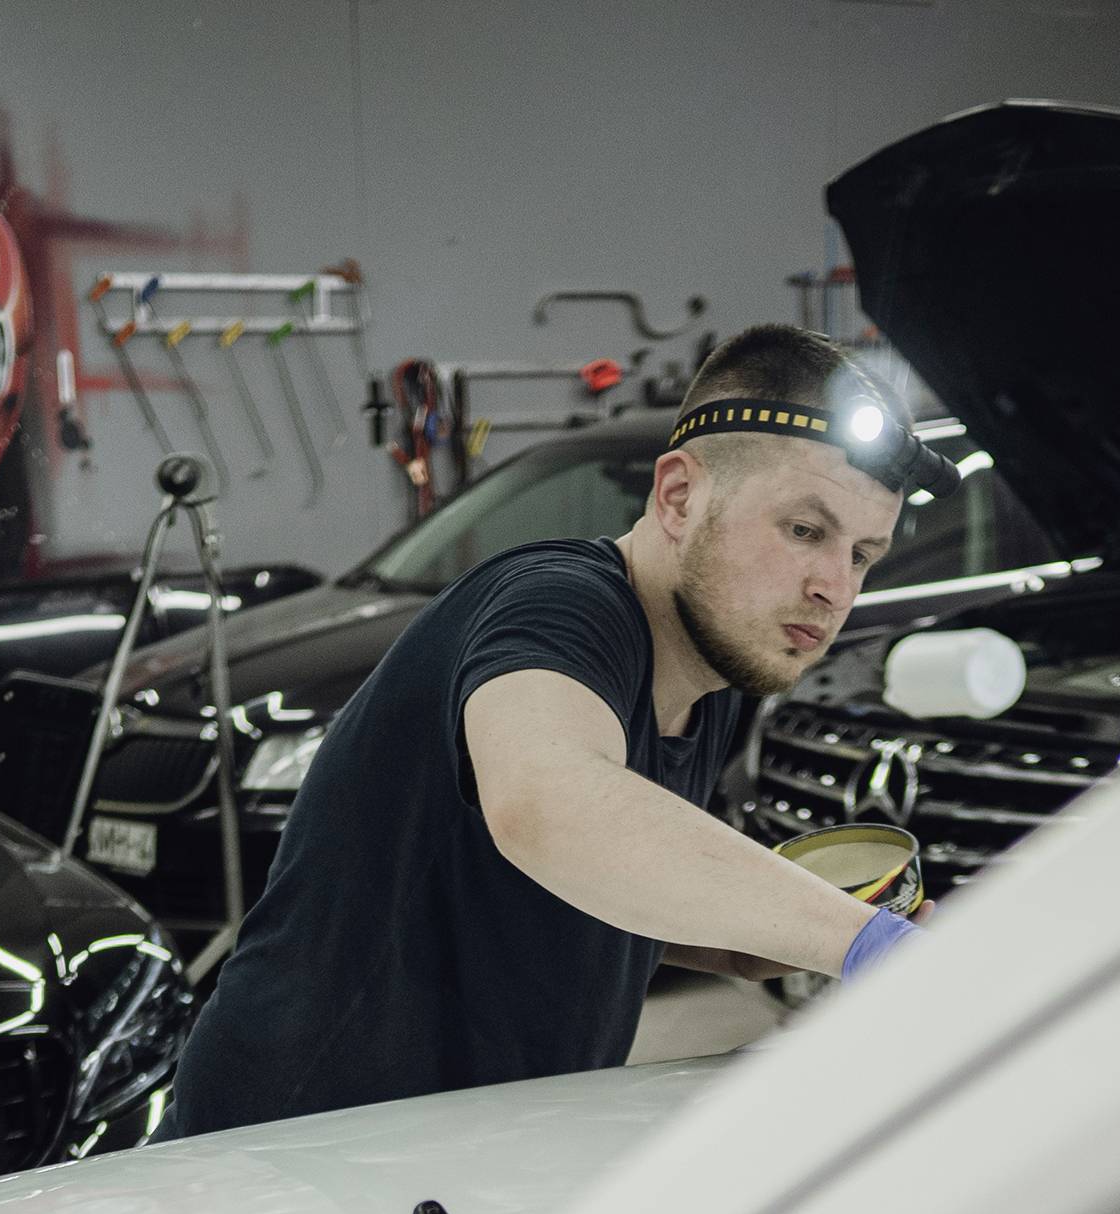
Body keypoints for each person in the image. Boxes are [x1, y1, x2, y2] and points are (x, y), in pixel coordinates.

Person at [166, 324, 948, 1138]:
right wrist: (862, 939)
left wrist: (737, 938)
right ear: (679, 497)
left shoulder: (710, 676)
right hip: (292, 1148)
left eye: (862, 555)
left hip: (468, 1142)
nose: (834, 588)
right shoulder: (560, 607)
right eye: (804, 530)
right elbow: (549, 806)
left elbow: (539, 885)